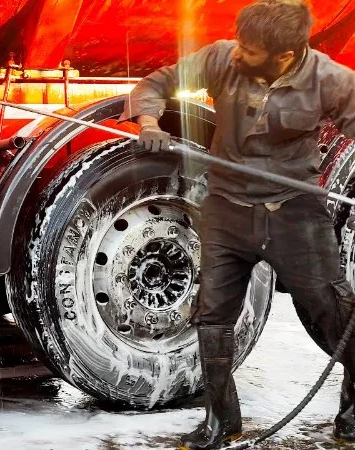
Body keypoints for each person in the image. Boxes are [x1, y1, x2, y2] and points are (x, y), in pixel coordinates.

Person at [120, 0, 355, 448]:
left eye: (249, 50)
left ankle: (354, 406)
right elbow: (158, 82)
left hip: (295, 213)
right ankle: (220, 421)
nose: (237, 54)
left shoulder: (331, 80)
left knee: (333, 312)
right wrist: (149, 120)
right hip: (226, 208)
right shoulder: (220, 58)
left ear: (284, 55)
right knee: (213, 316)